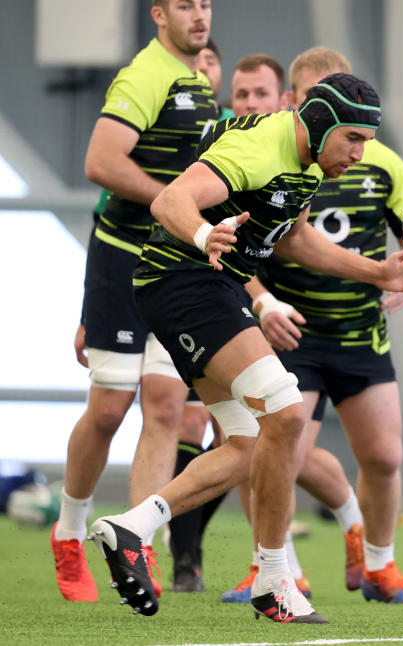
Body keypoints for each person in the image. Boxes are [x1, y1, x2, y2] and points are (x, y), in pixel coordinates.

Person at [88, 72, 403, 624]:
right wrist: (206, 235)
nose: (361, 151)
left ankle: (131, 528)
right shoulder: (261, 146)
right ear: (323, 124)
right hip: (183, 280)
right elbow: (170, 200)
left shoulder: (306, 163)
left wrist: (378, 272)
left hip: (209, 287)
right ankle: (275, 579)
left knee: (250, 442)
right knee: (284, 409)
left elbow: (297, 238)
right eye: (354, 138)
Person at [225, 45, 403, 605]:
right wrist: (264, 302)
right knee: (278, 454)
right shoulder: (271, 157)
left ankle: (381, 570)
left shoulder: (383, 163)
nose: (350, 139)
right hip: (293, 333)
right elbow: (239, 247)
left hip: (361, 332)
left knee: (386, 457)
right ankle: (276, 569)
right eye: (317, 102)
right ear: (299, 103)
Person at [51, 0, 217, 603]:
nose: (199, 15)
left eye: (205, 4)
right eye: (185, 5)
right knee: (108, 410)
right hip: (121, 261)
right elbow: (100, 162)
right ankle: (69, 532)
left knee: (168, 408)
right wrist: (172, 204)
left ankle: (135, 544)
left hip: (171, 265)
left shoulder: (199, 80)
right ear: (158, 13)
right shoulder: (144, 76)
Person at [166, 35, 235, 594]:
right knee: (188, 422)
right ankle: (182, 554)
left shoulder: (257, 143)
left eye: (214, 61)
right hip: (183, 291)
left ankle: (184, 537)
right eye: (202, 63)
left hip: (239, 297)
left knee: (238, 434)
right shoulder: (176, 135)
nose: (205, 70)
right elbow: (144, 206)